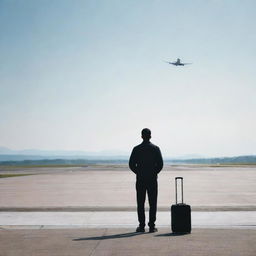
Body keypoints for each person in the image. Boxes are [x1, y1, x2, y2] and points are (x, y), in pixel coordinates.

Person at [129, 128, 163, 233]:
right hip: (152, 179)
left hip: (141, 179)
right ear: (150, 136)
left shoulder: (136, 149)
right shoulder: (155, 148)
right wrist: (153, 173)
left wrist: (138, 172)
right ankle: (152, 226)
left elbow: (131, 164)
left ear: (141, 136)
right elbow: (160, 164)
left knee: (140, 203)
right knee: (153, 203)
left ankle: (142, 226)